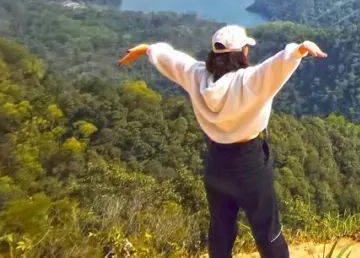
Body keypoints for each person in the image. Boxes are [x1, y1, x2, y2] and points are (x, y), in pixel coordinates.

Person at [119, 25, 327, 258]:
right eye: (246, 48)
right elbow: (277, 65)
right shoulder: (250, 80)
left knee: (221, 229)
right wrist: (299, 49)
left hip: (216, 163)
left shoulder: (197, 77)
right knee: (267, 229)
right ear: (242, 53)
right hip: (250, 164)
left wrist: (150, 49)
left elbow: (175, 61)